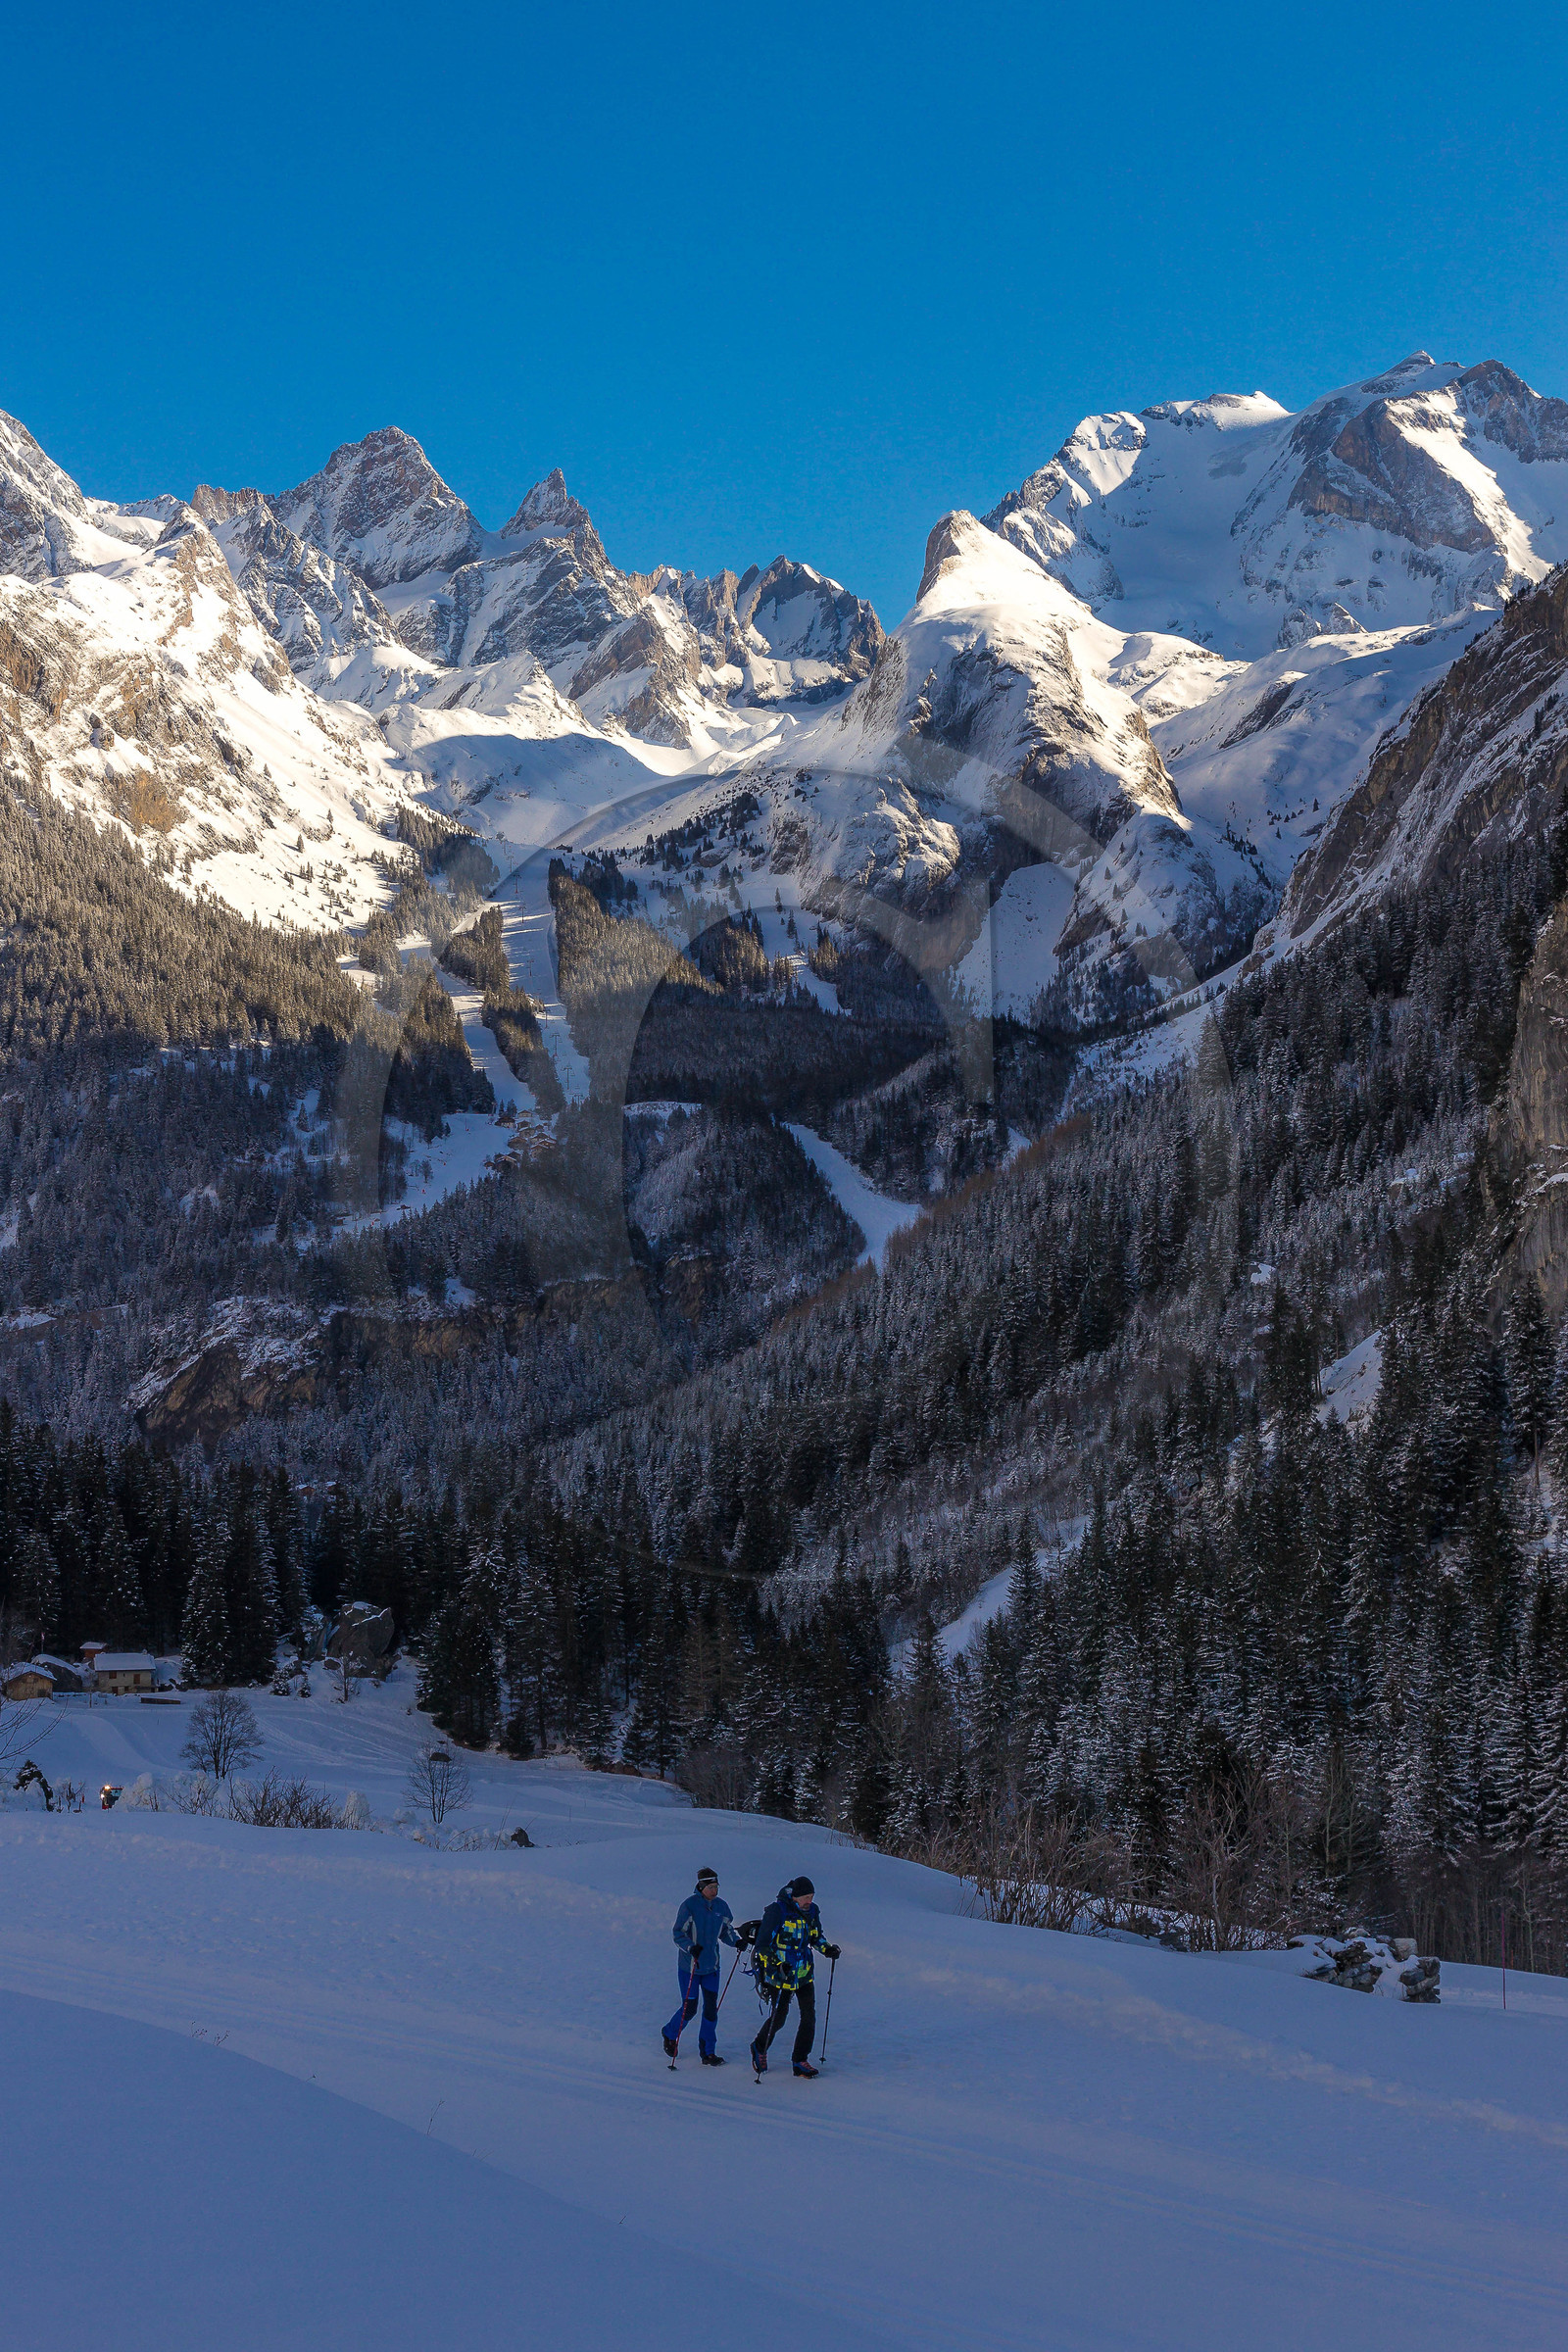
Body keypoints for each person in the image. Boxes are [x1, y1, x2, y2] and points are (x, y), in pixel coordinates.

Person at [748, 1875, 840, 2079]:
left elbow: (816, 1937)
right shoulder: (778, 1911)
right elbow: (762, 1945)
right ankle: (759, 2046)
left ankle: (800, 2060)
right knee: (779, 2017)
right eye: (806, 1897)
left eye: (812, 1896)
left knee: (809, 2016)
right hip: (780, 1975)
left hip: (804, 1973)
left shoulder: (812, 1912)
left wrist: (827, 1950)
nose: (809, 1901)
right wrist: (777, 1964)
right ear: (795, 1897)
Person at [662, 1868, 741, 2066]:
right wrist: (690, 1947)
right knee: (690, 2009)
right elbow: (678, 1933)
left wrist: (736, 1942)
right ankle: (669, 2033)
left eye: (716, 1887)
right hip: (690, 1967)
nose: (714, 1891)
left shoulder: (721, 1907)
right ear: (701, 1886)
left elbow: (726, 1931)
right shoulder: (689, 1906)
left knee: (711, 2010)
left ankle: (708, 2052)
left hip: (712, 1967)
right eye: (710, 1887)